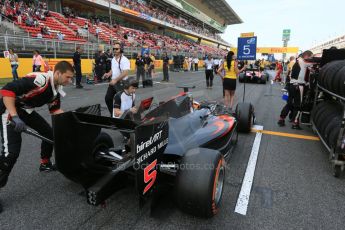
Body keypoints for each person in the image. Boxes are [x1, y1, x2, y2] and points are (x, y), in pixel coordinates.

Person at [0, 61, 75, 212]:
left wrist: (73, 118)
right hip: (9, 109)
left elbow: (55, 111)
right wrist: (14, 117)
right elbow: (6, 91)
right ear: (58, 73)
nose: (70, 81)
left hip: (25, 111)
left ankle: (45, 163)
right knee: (11, 154)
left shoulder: (57, 89)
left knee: (50, 134)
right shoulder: (40, 80)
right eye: (68, 77)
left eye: (71, 78)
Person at [103, 41, 131, 116]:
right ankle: (113, 114)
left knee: (122, 101)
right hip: (114, 82)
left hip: (122, 83)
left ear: (121, 49)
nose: (115, 50)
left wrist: (115, 80)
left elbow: (125, 72)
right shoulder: (113, 59)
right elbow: (113, 69)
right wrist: (108, 74)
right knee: (108, 98)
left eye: (117, 49)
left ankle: (125, 116)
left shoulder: (125, 60)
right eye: (114, 49)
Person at [290, 51, 315, 129]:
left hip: (293, 85)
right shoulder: (304, 61)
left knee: (294, 104)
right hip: (299, 86)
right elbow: (313, 63)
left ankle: (293, 119)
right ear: (307, 56)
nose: (311, 58)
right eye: (311, 57)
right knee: (299, 106)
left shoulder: (299, 61)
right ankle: (295, 123)